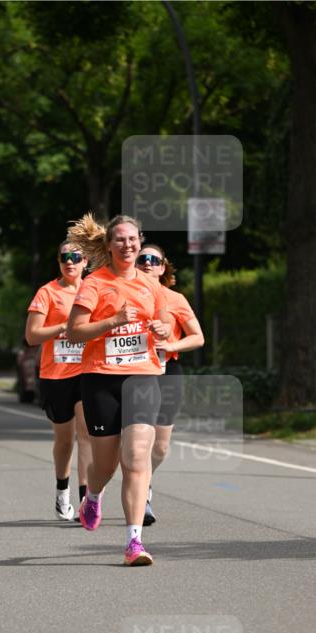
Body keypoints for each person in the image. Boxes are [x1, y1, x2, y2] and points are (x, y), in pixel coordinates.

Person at [66, 213, 171, 566]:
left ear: (140, 241)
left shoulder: (151, 284)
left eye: (133, 239)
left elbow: (166, 325)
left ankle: (134, 543)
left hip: (142, 376)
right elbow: (75, 331)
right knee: (105, 464)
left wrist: (161, 330)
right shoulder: (95, 283)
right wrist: (113, 321)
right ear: (109, 245)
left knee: (137, 457)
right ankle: (93, 495)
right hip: (100, 379)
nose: (128, 245)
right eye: (121, 239)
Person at [136, 244, 205, 525]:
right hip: (135, 373)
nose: (148, 263)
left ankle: (145, 481)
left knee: (160, 447)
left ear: (163, 267)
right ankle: (141, 494)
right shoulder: (123, 295)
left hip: (168, 369)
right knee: (138, 439)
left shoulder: (174, 299)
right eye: (143, 259)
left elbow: (198, 337)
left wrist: (171, 344)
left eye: (155, 260)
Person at [25, 243, 92, 520]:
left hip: (87, 371)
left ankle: (86, 502)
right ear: (59, 262)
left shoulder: (93, 290)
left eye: (76, 257)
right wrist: (63, 328)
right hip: (55, 374)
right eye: (65, 257)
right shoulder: (47, 292)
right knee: (64, 440)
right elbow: (32, 336)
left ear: (85, 261)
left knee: (86, 435)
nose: (70, 262)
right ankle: (61, 490)